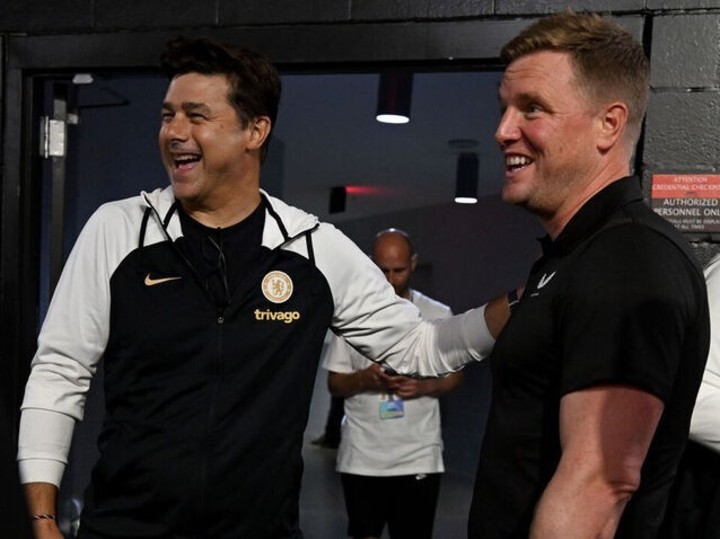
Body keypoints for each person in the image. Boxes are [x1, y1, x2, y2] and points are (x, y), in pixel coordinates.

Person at [17, 36, 509, 539]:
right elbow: (60, 370)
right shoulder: (119, 229)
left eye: (196, 116)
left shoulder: (313, 249)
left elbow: (419, 346)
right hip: (124, 529)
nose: (174, 132)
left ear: (255, 129)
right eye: (168, 115)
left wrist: (521, 303)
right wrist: (42, 520)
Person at [467, 11, 710, 538]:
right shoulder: (572, 259)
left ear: (609, 124)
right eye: (505, 108)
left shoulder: (628, 262)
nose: (503, 130)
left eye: (532, 109)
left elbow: (599, 487)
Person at [323, 228, 462, 539]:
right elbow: (335, 383)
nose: (389, 279)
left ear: (413, 264)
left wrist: (423, 387)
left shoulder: (438, 314)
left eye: (397, 270)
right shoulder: (350, 315)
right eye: (382, 270)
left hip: (418, 455)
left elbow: (455, 376)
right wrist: (366, 378)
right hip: (362, 457)